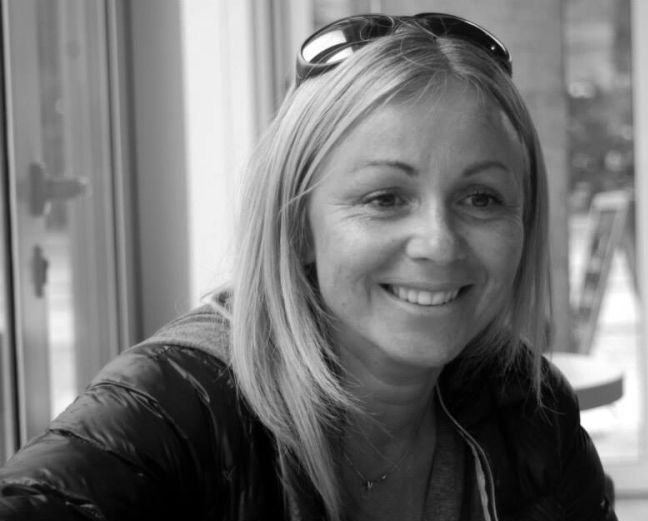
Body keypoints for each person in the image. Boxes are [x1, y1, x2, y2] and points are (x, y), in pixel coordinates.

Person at [0, 12, 616, 521]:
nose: (438, 243)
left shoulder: (529, 407)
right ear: (297, 226)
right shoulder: (171, 407)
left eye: (481, 199)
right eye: (385, 198)